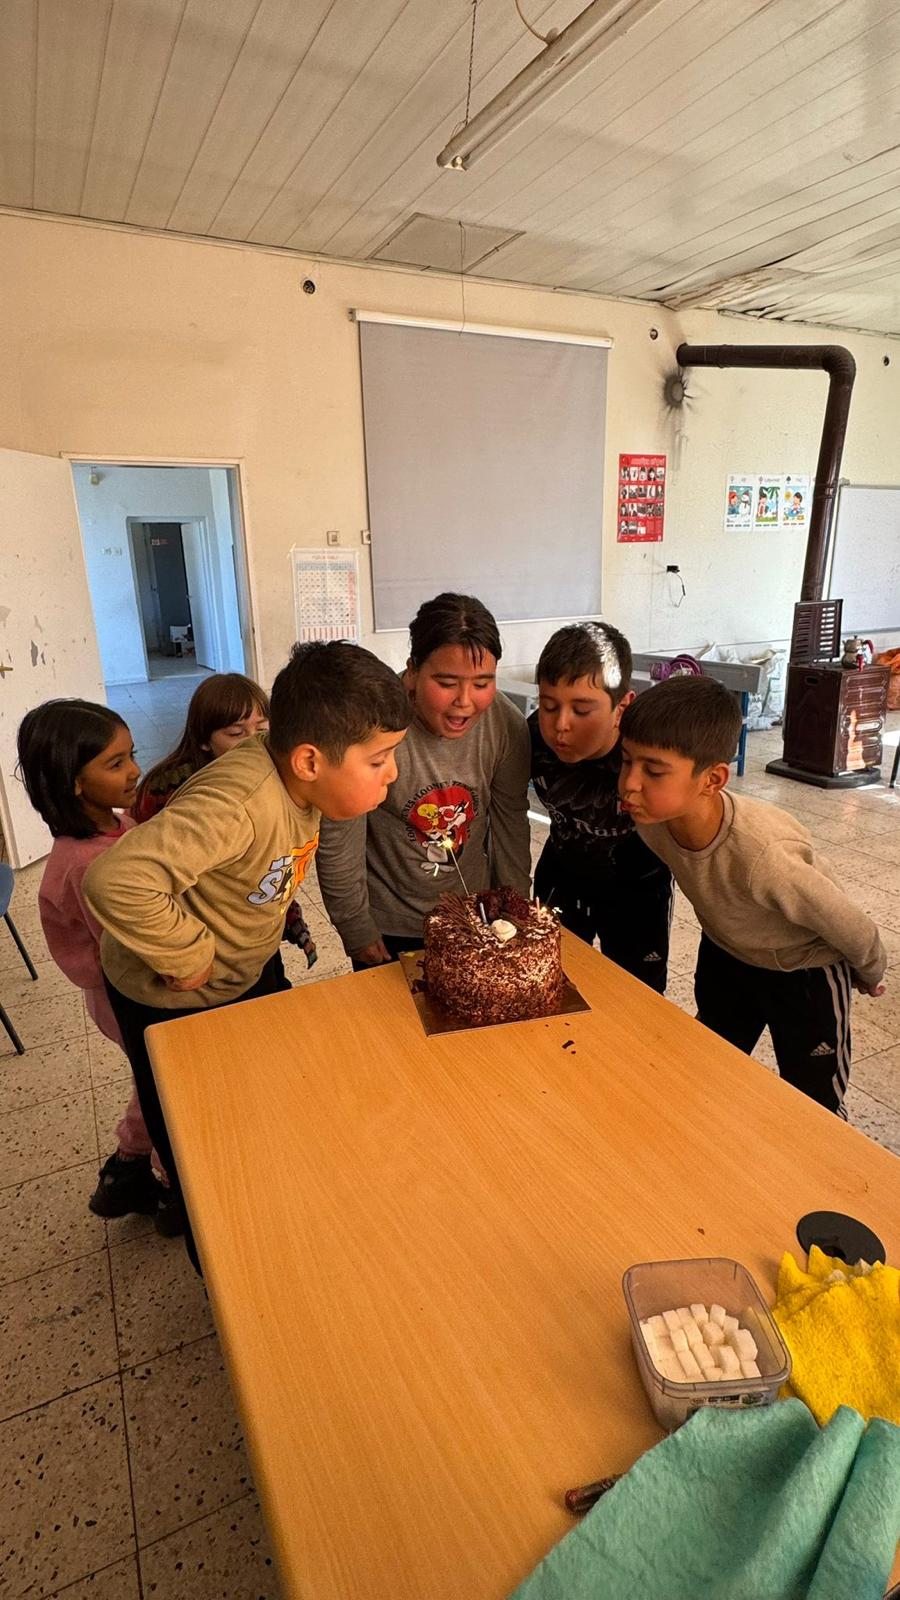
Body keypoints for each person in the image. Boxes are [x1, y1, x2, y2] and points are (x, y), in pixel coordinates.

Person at [83, 641, 411, 1265]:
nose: (391, 773)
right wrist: (187, 953)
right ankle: (213, 1249)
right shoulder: (239, 803)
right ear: (310, 760)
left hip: (248, 972)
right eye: (380, 759)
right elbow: (114, 881)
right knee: (198, 1148)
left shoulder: (299, 786)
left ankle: (265, 1212)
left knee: (268, 1107)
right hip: (172, 997)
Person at [618, 676, 886, 1114]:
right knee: (709, 1067)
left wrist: (869, 970)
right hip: (727, 957)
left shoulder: (763, 855)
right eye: (626, 761)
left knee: (813, 1099)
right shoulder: (648, 818)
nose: (630, 783)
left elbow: (847, 922)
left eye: (654, 770)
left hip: (803, 973)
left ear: (713, 779)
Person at [16, 700, 175, 1226]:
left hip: (125, 992)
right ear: (74, 783)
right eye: (115, 763)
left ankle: (125, 1167)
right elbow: (133, 946)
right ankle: (165, 1183)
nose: (134, 771)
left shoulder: (112, 824)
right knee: (164, 1090)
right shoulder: (87, 865)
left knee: (149, 1079)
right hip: (125, 998)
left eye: (132, 755)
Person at [316, 592, 531, 967]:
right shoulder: (373, 726)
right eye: (446, 682)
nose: (464, 701)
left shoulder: (506, 726)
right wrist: (355, 926)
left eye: (482, 684)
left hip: (472, 915)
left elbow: (510, 822)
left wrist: (513, 904)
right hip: (390, 922)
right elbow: (340, 834)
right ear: (413, 669)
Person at [133, 671, 317, 966]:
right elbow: (146, 878)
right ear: (204, 740)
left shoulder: (277, 779)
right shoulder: (167, 790)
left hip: (254, 932)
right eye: (236, 733)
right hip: (201, 940)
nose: (253, 740)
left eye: (263, 727)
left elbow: (275, 861)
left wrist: (288, 915)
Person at [531, 621, 672, 993]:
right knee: (546, 981)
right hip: (561, 876)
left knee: (637, 998)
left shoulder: (648, 751)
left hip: (637, 891)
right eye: (548, 706)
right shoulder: (531, 738)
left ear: (622, 707)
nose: (561, 726)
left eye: (581, 710)